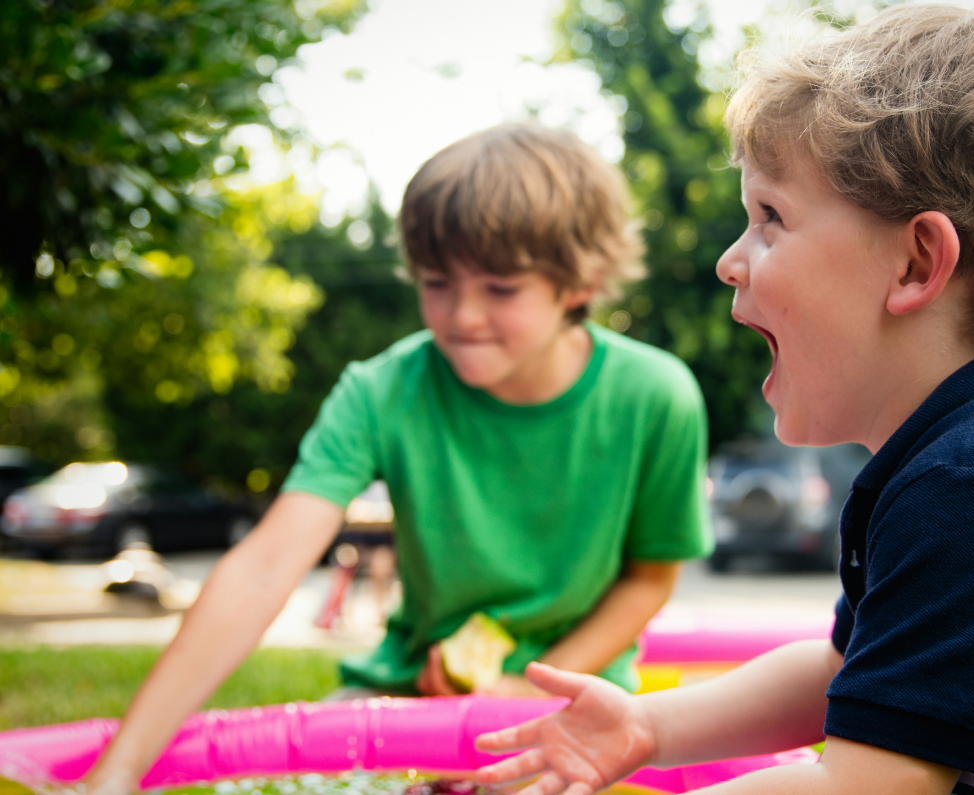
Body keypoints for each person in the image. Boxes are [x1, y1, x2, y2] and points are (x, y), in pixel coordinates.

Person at [472, 7, 974, 795]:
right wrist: (647, 726)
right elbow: (844, 672)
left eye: (770, 217)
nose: (730, 261)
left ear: (915, 264)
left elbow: (864, 785)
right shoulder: (965, 458)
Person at [82, 123, 714, 793]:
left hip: (578, 704)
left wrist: (524, 688)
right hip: (407, 697)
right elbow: (263, 567)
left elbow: (649, 577)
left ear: (580, 282)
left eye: (500, 288)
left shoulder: (657, 395)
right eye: (437, 282)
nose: (462, 316)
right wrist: (117, 772)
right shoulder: (381, 389)